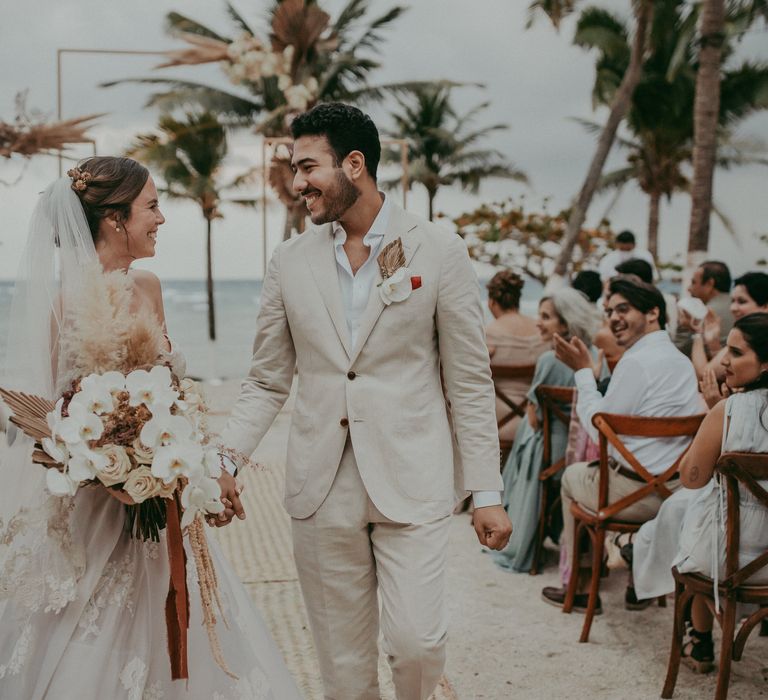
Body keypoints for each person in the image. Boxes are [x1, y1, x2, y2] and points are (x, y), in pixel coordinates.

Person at [219, 103, 512, 700]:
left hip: (414, 479)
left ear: (354, 163)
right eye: (293, 169)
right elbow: (267, 379)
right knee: (344, 670)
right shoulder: (288, 261)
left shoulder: (438, 249)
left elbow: (469, 383)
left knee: (418, 644)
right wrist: (224, 460)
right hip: (320, 488)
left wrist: (486, 492)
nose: (296, 183)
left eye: (308, 167)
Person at [0, 158, 302, 699]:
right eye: (153, 206)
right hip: (102, 507)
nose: (161, 218)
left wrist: (206, 471)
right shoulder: (87, 298)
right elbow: (59, 416)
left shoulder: (136, 288)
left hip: (156, 496)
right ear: (115, 219)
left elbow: (171, 400)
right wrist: (106, 456)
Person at [540, 276, 703, 612]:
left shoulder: (636, 363)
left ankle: (583, 588)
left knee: (571, 477)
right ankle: (636, 587)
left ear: (654, 312)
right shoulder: (682, 363)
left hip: (630, 495)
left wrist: (584, 372)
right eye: (609, 311)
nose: (613, 317)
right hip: (672, 492)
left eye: (623, 309)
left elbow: (599, 427)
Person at [627, 313, 768, 672]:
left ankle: (700, 644)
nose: (723, 361)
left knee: (688, 521)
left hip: (727, 560)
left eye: (735, 353)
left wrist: (712, 413)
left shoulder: (728, 410)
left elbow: (691, 478)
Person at [491, 288, 601, 573]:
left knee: (527, 437)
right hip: (587, 452)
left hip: (553, 454)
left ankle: (516, 519)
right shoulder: (594, 358)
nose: (537, 322)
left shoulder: (550, 360)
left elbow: (536, 418)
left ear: (565, 324)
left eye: (545, 317)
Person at [485, 270, 548, 443]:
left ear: (491, 302)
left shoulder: (487, 335)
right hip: (537, 427)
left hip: (495, 428)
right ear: (518, 299)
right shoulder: (542, 335)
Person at [691, 271, 768, 391]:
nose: (733, 308)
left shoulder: (755, 335)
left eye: (742, 302)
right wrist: (713, 343)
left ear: (765, 306)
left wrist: (697, 334)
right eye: (732, 301)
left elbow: (705, 375)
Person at [675, 260, 735, 357]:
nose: (689, 288)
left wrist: (683, 327)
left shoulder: (703, 314)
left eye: (694, 282)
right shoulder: (739, 309)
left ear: (709, 284)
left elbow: (679, 353)